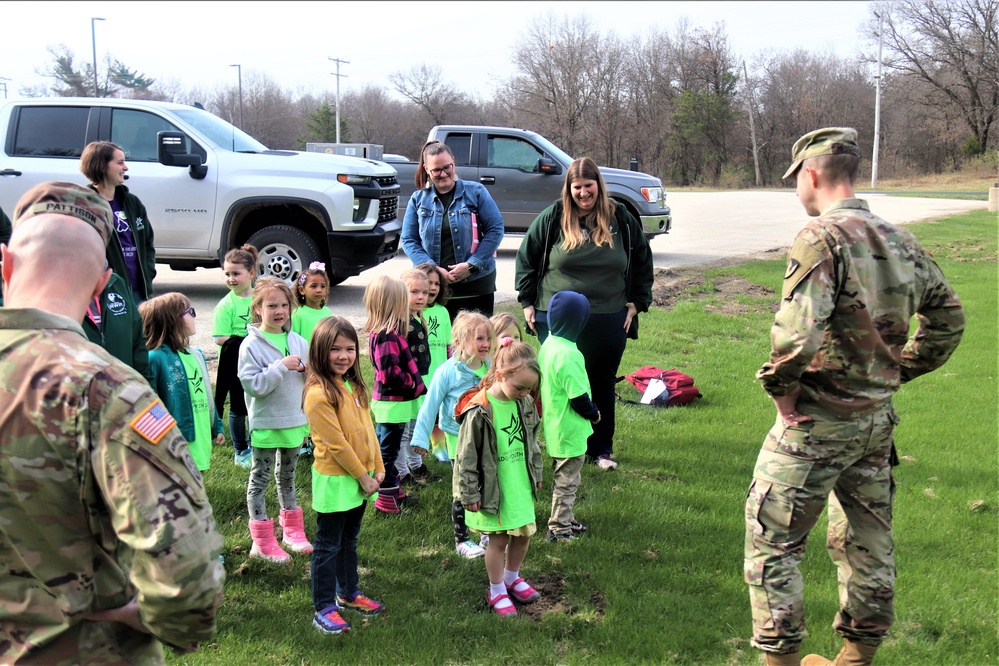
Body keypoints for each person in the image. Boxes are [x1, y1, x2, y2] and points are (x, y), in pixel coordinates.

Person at [743, 128, 966, 666]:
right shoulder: (900, 238)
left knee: (771, 546)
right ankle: (855, 659)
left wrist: (782, 391)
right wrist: (895, 373)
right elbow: (949, 321)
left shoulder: (821, 236)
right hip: (874, 422)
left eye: (796, 178)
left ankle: (782, 662)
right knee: (868, 543)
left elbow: (796, 338)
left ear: (811, 175)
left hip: (816, 424)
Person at [0, 181, 224, 663]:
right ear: (102, 283)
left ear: (5, 263)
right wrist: (153, 615)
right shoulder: (105, 390)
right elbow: (187, 569)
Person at [515, 156, 653, 471]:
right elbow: (527, 257)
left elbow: (643, 261)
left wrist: (637, 302)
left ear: (598, 186)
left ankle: (601, 450)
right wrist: (527, 302)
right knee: (560, 384)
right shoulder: (553, 218)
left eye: (588, 186)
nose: (583, 193)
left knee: (601, 383)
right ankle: (562, 449)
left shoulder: (621, 219)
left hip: (608, 314)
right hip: (557, 316)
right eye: (577, 187)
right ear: (569, 188)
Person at [304, 316, 386, 635]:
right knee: (328, 545)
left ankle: (348, 594)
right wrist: (363, 477)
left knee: (349, 541)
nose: (343, 356)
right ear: (319, 352)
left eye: (350, 349)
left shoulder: (354, 386)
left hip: (361, 478)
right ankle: (324, 606)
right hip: (337, 481)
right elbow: (336, 444)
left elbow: (369, 430)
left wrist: (377, 467)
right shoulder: (318, 394)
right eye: (335, 349)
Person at [454, 337, 543, 617]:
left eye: (530, 388)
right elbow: (466, 456)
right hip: (494, 488)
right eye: (520, 387)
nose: (525, 393)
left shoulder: (525, 402)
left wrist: (537, 472)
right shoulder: (480, 409)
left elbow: (532, 441)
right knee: (499, 539)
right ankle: (495, 590)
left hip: (519, 484)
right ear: (501, 374)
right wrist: (468, 493)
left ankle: (511, 577)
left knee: (524, 535)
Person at [238, 276, 313, 562]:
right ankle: (262, 540)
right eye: (271, 305)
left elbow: (310, 381)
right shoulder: (250, 346)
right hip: (267, 424)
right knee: (260, 478)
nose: (279, 311)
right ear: (258, 308)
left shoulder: (297, 341)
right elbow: (254, 386)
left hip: (294, 421)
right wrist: (281, 366)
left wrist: (308, 371)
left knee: (288, 476)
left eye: (284, 305)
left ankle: (292, 531)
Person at [412, 311, 495, 558]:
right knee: (463, 486)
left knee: (486, 481)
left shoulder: (489, 367)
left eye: (488, 338)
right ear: (459, 341)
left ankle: (485, 531)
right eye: (479, 338)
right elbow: (430, 405)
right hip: (457, 436)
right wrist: (420, 439)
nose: (486, 344)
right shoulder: (447, 371)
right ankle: (462, 539)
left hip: (485, 437)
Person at [401, 140, 504, 320]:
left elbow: (495, 229)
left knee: (476, 343)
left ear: (453, 162)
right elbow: (409, 240)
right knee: (437, 343)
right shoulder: (418, 200)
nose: (443, 174)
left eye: (447, 167)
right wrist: (432, 269)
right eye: (436, 170)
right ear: (427, 169)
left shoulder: (476, 192)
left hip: (477, 285)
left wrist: (471, 265)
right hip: (433, 288)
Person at [538, 291, 600, 543]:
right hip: (570, 429)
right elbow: (578, 398)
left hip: (555, 427)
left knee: (565, 477)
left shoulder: (549, 344)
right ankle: (559, 528)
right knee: (567, 482)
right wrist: (594, 414)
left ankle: (566, 516)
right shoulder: (569, 355)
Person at [140, 292, 226, 472]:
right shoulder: (155, 358)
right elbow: (148, 402)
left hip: (200, 440)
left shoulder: (196, 354)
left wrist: (216, 425)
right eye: (190, 312)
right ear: (173, 320)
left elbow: (207, 396)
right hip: (174, 445)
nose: (194, 316)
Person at [363, 274, 426, 514]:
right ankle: (385, 503)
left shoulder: (386, 332)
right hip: (393, 404)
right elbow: (390, 374)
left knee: (385, 451)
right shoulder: (387, 335)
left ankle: (393, 489)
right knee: (387, 455)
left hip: (392, 404)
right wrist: (412, 382)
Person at [80, 141, 156, 302]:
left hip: (138, 292)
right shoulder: (84, 206)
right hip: (107, 294)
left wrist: (148, 273)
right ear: (101, 166)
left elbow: (148, 243)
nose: (126, 168)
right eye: (120, 162)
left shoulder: (132, 202)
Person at [214, 244, 258, 467]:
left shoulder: (259, 299)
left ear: (251, 273)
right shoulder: (226, 305)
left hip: (257, 363)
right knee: (239, 407)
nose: (230, 278)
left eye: (235, 273)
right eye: (227, 274)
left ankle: (256, 444)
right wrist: (243, 341)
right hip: (235, 366)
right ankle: (240, 450)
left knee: (256, 404)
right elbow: (219, 338)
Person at [82, 268, 153, 383]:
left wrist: (148, 387)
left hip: (124, 391)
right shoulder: (54, 292)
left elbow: (138, 343)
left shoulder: (116, 283)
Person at [396, 268, 432, 487]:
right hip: (405, 386)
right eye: (414, 292)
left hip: (418, 384)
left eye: (425, 292)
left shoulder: (419, 318)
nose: (421, 297)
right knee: (402, 431)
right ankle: (401, 472)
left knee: (413, 426)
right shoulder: (401, 322)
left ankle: (416, 464)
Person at [291, 261, 334, 342]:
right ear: (302, 290)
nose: (319, 290)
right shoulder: (297, 314)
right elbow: (292, 340)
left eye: (323, 286)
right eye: (313, 286)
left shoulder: (327, 312)